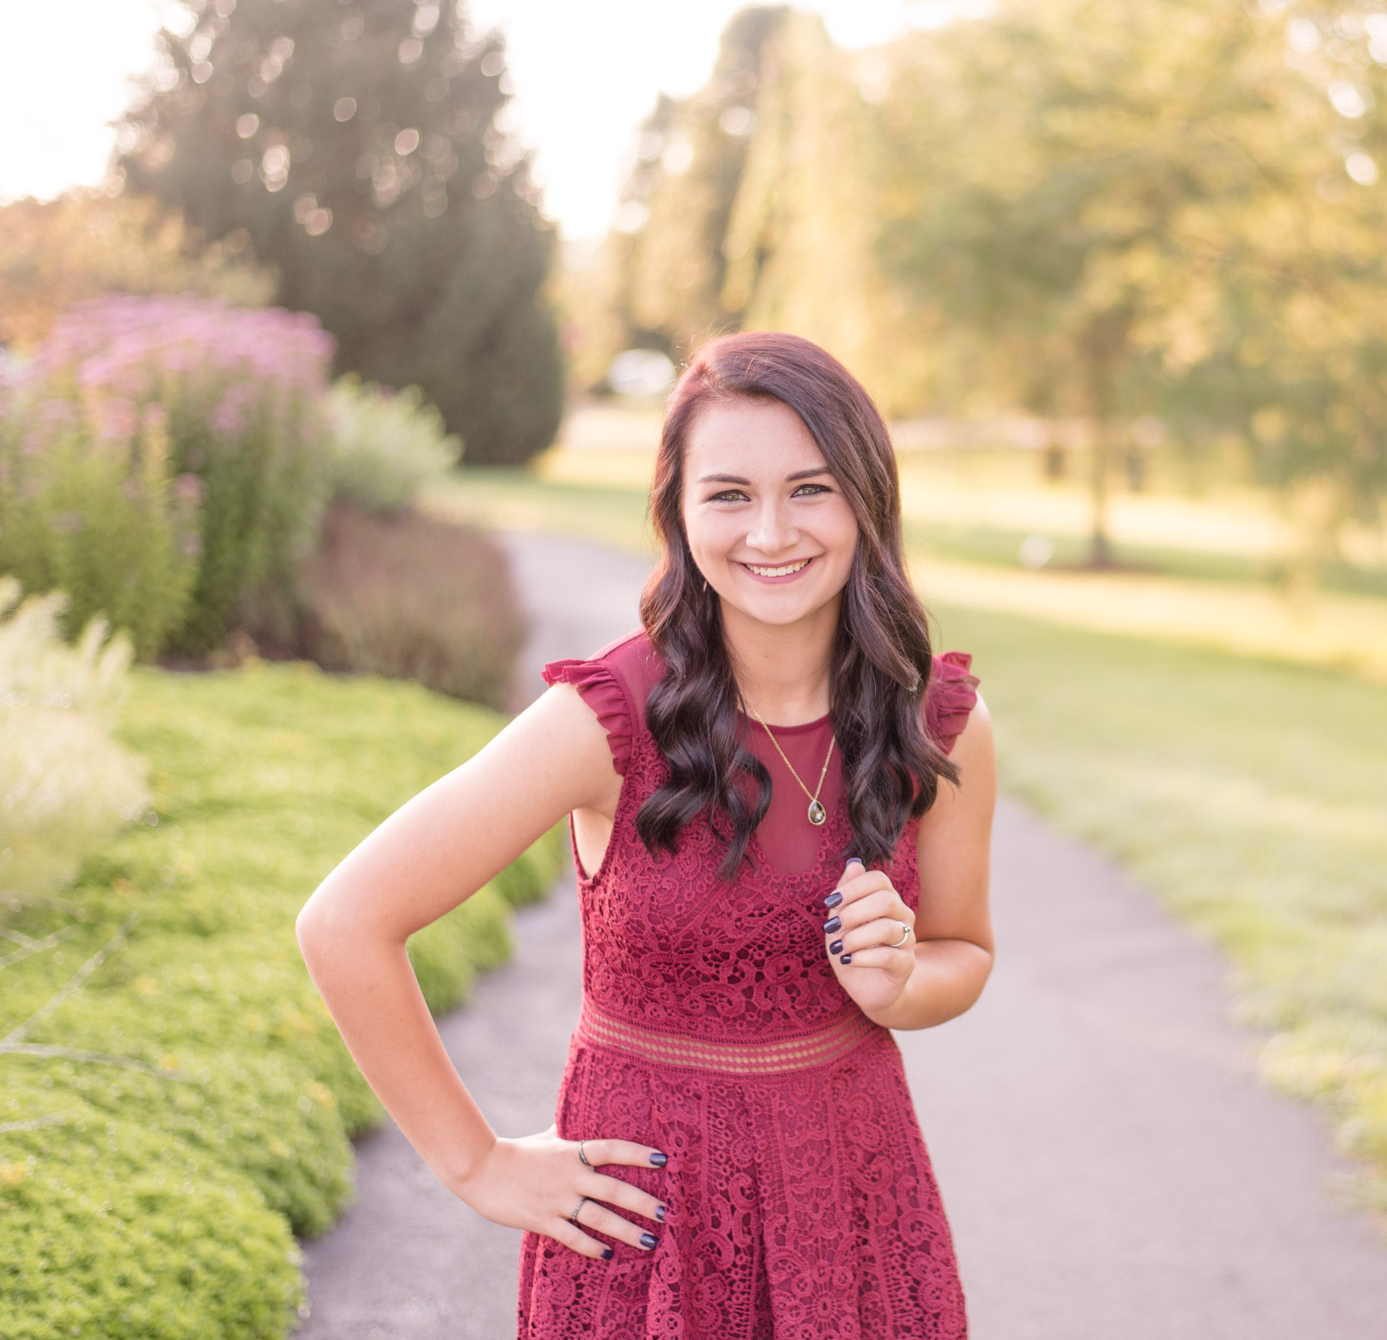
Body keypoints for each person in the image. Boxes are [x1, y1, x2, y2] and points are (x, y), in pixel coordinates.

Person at [296, 331, 996, 1338]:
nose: (769, 531)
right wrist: (476, 1161)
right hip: (649, 1240)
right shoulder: (608, 717)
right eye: (727, 494)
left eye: (809, 488)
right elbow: (346, 920)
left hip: (854, 1213)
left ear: (865, 500)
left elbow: (962, 951)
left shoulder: (940, 724)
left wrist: (898, 984)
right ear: (676, 511)